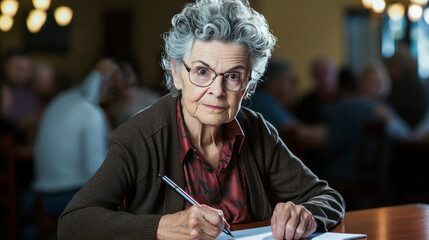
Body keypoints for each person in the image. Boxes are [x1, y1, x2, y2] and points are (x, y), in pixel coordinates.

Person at [58, 1, 345, 239]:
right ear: (177, 72)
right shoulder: (141, 135)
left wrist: (306, 216)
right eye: (202, 72)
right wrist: (163, 226)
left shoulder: (256, 130)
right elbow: (73, 222)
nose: (217, 91)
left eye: (233, 76)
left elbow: (328, 198)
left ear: (248, 84)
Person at [32, 59, 117, 217]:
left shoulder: (60, 100)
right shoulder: (90, 112)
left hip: (44, 197)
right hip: (68, 199)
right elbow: (96, 171)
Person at [247, 59, 297, 130]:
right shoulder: (263, 101)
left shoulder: (265, 100)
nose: (292, 86)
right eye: (287, 80)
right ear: (272, 82)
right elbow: (294, 131)